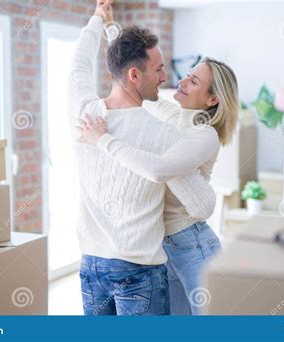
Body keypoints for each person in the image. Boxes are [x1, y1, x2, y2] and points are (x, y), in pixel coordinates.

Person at [68, 0, 216, 315]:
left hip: (92, 266)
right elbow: (202, 204)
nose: (165, 77)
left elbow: (79, 64)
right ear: (135, 74)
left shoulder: (83, 111)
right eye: (159, 69)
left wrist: (98, 19)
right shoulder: (164, 135)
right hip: (140, 272)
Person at [78, 56, 239, 315]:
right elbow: (142, 89)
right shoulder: (176, 119)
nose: (183, 80)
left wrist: (103, 140)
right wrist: (111, 30)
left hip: (192, 241)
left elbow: (158, 169)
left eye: (194, 80)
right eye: (188, 74)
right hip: (161, 243)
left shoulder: (205, 134)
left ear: (212, 99)